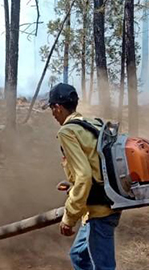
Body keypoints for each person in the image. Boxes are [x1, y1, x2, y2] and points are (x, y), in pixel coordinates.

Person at [47, 83, 121, 270]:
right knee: (79, 256)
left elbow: (84, 177)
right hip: (104, 204)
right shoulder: (93, 124)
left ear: (57, 107)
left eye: (52, 108)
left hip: (100, 211)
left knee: (102, 267)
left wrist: (69, 217)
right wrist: (72, 186)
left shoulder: (68, 131)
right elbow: (95, 167)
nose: (53, 114)